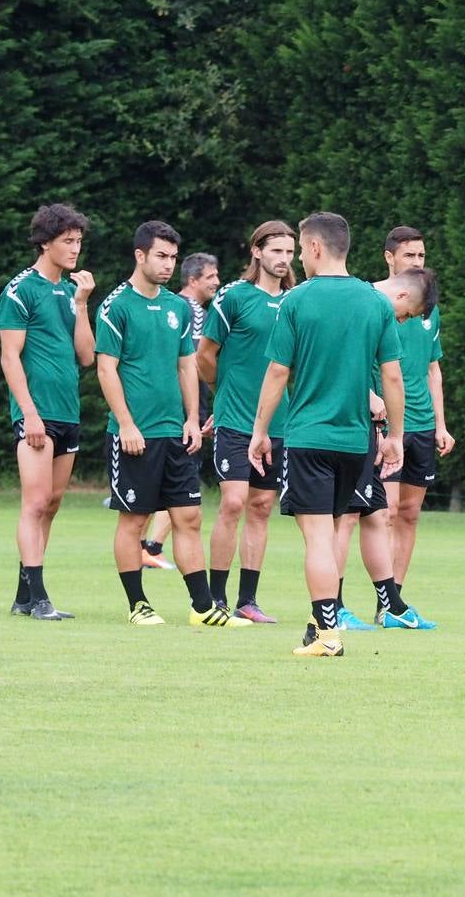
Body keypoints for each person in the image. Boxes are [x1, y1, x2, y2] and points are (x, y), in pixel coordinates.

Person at [249, 211, 407, 656]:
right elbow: (392, 378)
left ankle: (326, 634)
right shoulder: (376, 302)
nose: (300, 256)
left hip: (307, 439)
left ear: (315, 248)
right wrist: (394, 436)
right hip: (356, 441)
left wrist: (260, 431)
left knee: (318, 537)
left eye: (300, 248)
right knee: (337, 532)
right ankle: (319, 622)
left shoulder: (296, 301)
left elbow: (279, 371)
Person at [95, 220, 249, 627]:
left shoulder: (178, 308)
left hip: (175, 433)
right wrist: (126, 424)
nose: (168, 265)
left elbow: (187, 365)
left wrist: (193, 419)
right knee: (134, 518)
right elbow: (106, 370)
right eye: (160, 256)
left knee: (189, 518)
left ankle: (203, 608)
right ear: (140, 255)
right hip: (134, 435)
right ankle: (137, 605)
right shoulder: (115, 306)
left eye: (173, 258)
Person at [0, 203, 95, 621]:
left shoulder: (67, 292)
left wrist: (83, 302)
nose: (75, 249)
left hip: (67, 412)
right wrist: (29, 413)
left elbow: (87, 356)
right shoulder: (20, 290)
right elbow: (10, 358)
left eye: (78, 241)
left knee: (52, 504)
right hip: (35, 414)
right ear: (45, 243)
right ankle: (38, 598)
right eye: (67, 242)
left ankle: (24, 595)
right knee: (35, 503)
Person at [198, 222, 298, 623]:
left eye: (290, 253)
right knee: (234, 502)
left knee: (260, 507)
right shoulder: (233, 296)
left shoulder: (295, 301)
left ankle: (248, 600)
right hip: (235, 421)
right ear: (257, 252)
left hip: (279, 424)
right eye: (276, 251)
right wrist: (221, 394)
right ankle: (216, 598)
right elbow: (206, 355)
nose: (283, 259)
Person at [332, 266, 441, 630]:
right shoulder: (362, 302)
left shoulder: (373, 304)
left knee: (376, 514)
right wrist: (369, 397)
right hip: (345, 425)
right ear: (402, 297)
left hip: (368, 427)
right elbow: (332, 358)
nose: (403, 320)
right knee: (345, 517)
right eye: (407, 314)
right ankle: (334, 607)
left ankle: (391, 605)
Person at [379, 227, 455, 602]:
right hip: (385, 424)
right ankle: (375, 595)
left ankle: (395, 599)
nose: (417, 262)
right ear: (390, 258)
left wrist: (441, 424)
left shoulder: (428, 308)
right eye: (410, 256)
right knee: (386, 510)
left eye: (422, 256)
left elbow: (432, 368)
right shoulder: (372, 300)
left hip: (422, 425)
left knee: (409, 513)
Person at [141, 251, 219, 570]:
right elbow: (191, 362)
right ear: (192, 280)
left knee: (180, 480)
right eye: (211, 276)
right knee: (179, 479)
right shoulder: (185, 310)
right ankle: (150, 546)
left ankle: (151, 546)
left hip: (184, 407)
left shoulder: (188, 308)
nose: (217, 281)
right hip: (179, 409)